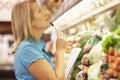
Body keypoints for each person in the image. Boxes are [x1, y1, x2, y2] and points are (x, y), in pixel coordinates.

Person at [10, 0, 67, 80]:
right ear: (29, 21)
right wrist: (60, 50)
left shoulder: (35, 46)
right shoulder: (27, 49)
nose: (45, 13)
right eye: (39, 11)